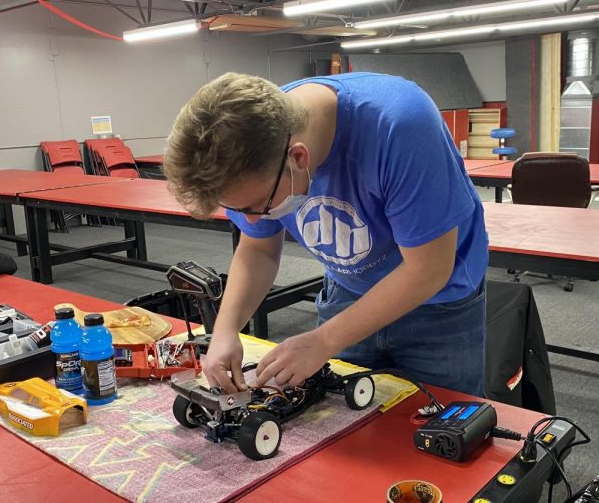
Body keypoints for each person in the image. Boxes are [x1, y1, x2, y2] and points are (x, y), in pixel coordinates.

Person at [164, 72, 488, 396]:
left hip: (439, 307)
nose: (251, 218)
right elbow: (258, 249)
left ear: (299, 157)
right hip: (347, 294)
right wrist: (226, 329)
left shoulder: (399, 126)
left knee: (445, 428)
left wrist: (323, 341)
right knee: (338, 420)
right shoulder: (251, 154)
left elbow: (428, 269)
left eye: (258, 205)